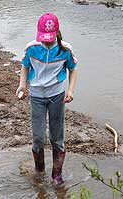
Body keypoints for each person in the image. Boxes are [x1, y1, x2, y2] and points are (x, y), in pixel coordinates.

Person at [15, 12, 78, 185]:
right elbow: (25, 66)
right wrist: (22, 85)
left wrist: (70, 90)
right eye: (43, 38)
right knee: (38, 138)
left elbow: (73, 69)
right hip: (36, 96)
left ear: (57, 33)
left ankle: (56, 175)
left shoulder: (65, 49)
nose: (46, 41)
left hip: (57, 95)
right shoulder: (32, 48)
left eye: (50, 38)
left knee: (57, 137)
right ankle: (39, 170)